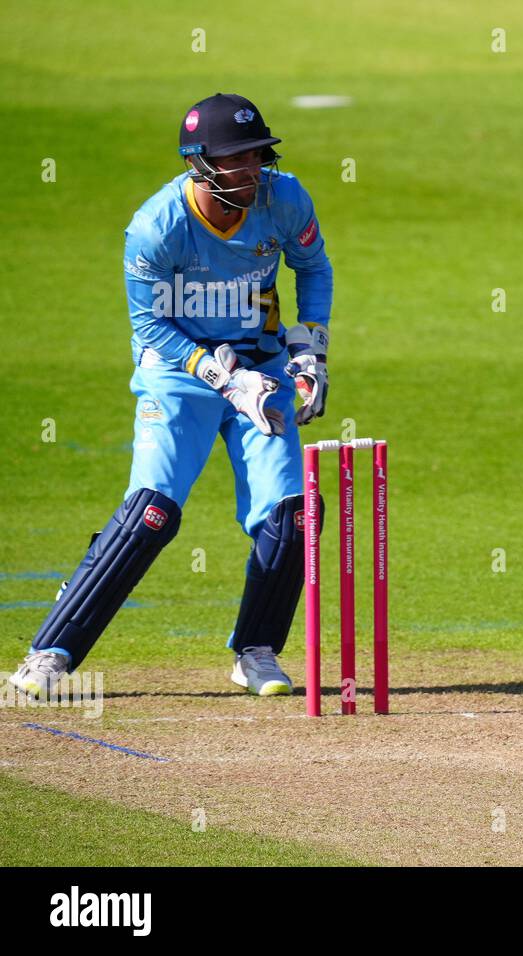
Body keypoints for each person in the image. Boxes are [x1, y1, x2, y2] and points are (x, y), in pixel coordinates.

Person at [8, 93, 333, 699]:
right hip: (179, 372)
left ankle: (255, 651)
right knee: (152, 512)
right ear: (199, 163)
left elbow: (312, 269)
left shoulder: (284, 198)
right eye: (236, 160)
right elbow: (150, 326)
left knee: (293, 512)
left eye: (258, 155)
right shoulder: (156, 227)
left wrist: (310, 353)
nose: (252, 170)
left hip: (261, 366)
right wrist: (223, 378)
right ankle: (49, 654)